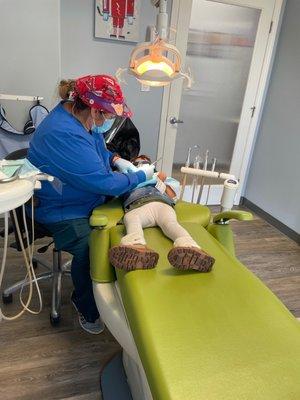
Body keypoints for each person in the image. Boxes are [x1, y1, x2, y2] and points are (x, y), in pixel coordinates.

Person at [28, 75, 154, 334]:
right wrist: (140, 176)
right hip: (61, 210)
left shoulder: (81, 119)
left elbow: (98, 152)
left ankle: (122, 292)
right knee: (93, 247)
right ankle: (86, 305)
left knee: (128, 226)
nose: (107, 121)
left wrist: (117, 159)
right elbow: (103, 183)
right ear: (94, 109)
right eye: (106, 116)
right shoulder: (62, 132)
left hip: (85, 198)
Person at [109, 155, 215, 272]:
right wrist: (132, 177)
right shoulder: (127, 178)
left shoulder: (162, 177)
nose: (141, 163)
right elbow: (116, 191)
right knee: (130, 217)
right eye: (137, 162)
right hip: (138, 206)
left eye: (145, 162)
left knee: (170, 224)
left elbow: (173, 197)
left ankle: (190, 247)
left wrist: (161, 180)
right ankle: (136, 246)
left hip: (161, 203)